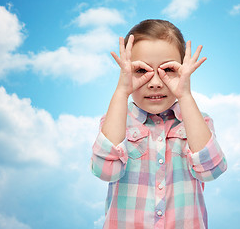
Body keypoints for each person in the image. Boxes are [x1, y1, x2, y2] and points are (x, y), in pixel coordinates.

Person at [91, 19, 227, 229]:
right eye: (141, 71)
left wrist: (185, 95)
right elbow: (105, 171)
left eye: (169, 70)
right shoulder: (115, 122)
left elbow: (212, 170)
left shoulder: (199, 121)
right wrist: (121, 91)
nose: (155, 83)